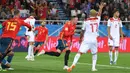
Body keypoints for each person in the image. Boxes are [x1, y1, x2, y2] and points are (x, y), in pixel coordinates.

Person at [67, 3, 104, 72]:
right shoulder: (97, 20)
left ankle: (72, 65)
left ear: (90, 14)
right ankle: (93, 68)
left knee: (79, 52)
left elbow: (82, 31)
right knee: (94, 53)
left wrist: (80, 38)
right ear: (95, 14)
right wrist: (101, 8)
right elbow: (99, 14)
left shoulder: (86, 21)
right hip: (94, 39)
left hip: (87, 39)